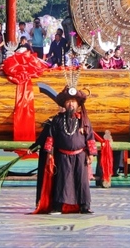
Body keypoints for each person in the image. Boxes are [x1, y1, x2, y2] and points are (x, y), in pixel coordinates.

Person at [35, 86, 96, 214]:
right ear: (64, 104)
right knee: (62, 181)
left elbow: (90, 137)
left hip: (80, 156)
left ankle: (84, 206)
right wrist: (50, 155)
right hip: (62, 156)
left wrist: (91, 154)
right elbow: (50, 138)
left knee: (81, 181)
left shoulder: (83, 120)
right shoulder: (57, 120)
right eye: (68, 101)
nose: (71, 104)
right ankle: (58, 207)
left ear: (78, 104)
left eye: (73, 101)